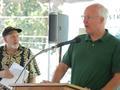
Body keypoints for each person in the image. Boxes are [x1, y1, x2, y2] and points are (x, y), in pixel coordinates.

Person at [49, 3, 120, 90]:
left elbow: (118, 77)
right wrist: (52, 85)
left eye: (88, 17)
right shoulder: (77, 41)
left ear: (101, 20)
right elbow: (63, 66)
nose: (84, 21)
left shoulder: (116, 44)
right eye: (84, 17)